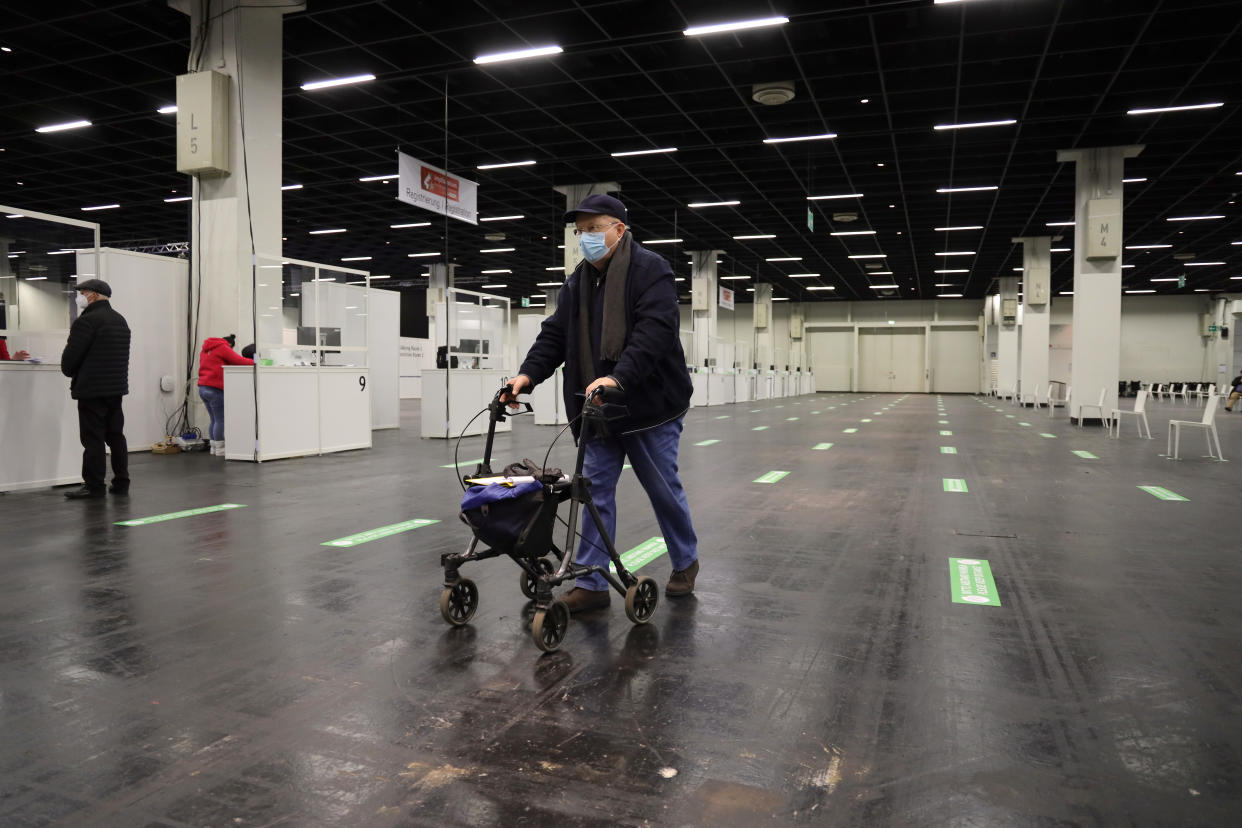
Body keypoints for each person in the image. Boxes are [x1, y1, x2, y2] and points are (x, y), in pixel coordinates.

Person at [504, 194, 699, 613]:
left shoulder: (651, 271)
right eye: (580, 232)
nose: (586, 238)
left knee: (662, 488)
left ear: (619, 230)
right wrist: (527, 375)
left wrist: (618, 377)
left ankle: (685, 560)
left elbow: (654, 333)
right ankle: (591, 582)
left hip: (649, 406)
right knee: (592, 493)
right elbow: (555, 336)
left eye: (595, 229)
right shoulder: (577, 281)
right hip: (597, 408)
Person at [60, 279, 131, 498]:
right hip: (115, 389)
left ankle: (94, 485)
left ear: (94, 295)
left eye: (83, 292)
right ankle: (121, 482)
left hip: (91, 390)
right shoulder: (120, 320)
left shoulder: (87, 321)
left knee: (93, 439)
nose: (79, 297)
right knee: (116, 435)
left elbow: (70, 360)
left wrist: (70, 371)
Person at [197, 334, 254, 455]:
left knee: (213, 420)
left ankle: (213, 448)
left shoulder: (205, 349)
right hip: (215, 389)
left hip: (203, 388)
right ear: (229, 344)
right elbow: (240, 361)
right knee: (220, 420)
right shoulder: (223, 347)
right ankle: (220, 449)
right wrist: (256, 362)